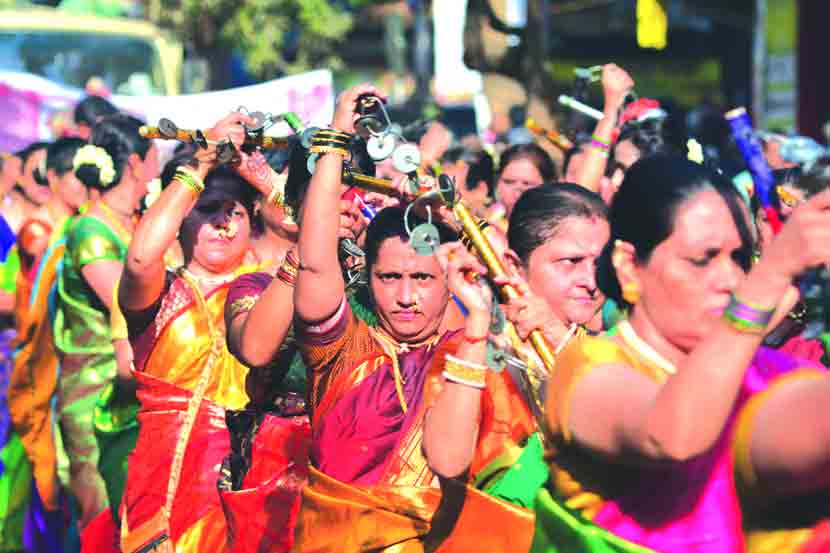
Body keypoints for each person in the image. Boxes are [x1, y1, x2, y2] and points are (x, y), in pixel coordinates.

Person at [531, 154, 830, 551]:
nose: (731, 280)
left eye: (741, 260)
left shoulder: (759, 370)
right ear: (629, 266)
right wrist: (769, 278)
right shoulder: (589, 368)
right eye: (703, 259)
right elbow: (669, 435)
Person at [291, 84, 532, 552]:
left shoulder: (473, 354)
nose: (404, 296)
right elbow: (316, 259)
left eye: (422, 277)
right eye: (389, 277)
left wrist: (456, 218)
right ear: (368, 278)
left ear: (450, 278)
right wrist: (339, 135)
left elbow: (511, 271)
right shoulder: (341, 352)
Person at [117, 112, 289, 553]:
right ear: (182, 221)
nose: (223, 222)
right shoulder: (162, 293)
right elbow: (138, 260)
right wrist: (200, 166)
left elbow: (318, 234)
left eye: (235, 211)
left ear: (253, 221)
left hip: (250, 481)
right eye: (208, 210)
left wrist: (263, 176)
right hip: (165, 489)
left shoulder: (273, 288)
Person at [52, 114, 157, 531]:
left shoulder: (130, 222)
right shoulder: (91, 228)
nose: (157, 168)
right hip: (97, 394)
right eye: (153, 157)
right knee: (103, 520)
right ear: (134, 163)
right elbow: (127, 299)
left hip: (138, 393)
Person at [486, 142, 557, 231]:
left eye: (527, 183)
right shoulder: (487, 227)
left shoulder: (557, 231)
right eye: (509, 182)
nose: (517, 192)